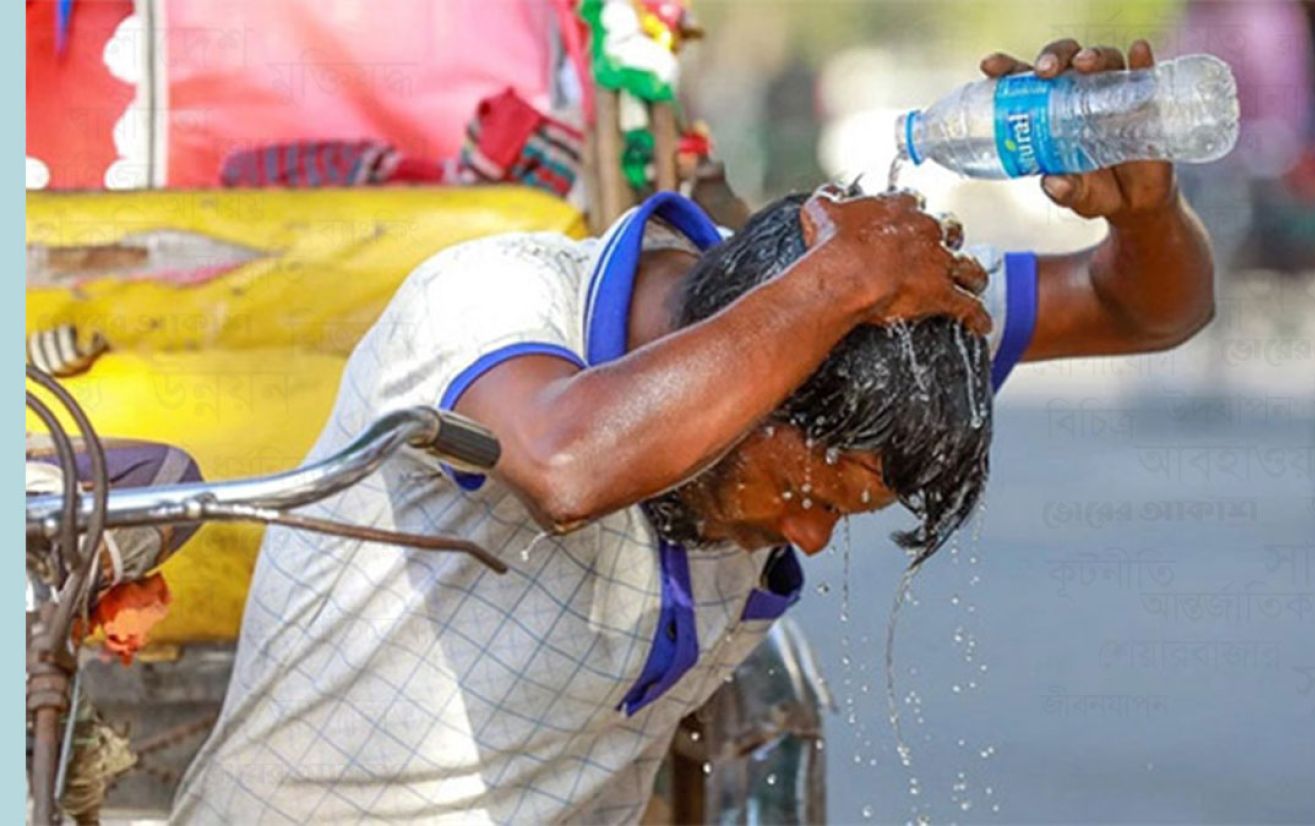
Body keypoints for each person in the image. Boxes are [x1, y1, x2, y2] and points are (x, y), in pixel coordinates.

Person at [174, 39, 1214, 824]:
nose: (808, 539)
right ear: (755, 376)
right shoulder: (490, 302)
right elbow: (568, 463)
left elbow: (1150, 309)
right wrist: (837, 279)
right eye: (809, 494)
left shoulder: (866, 351)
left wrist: (1145, 212)